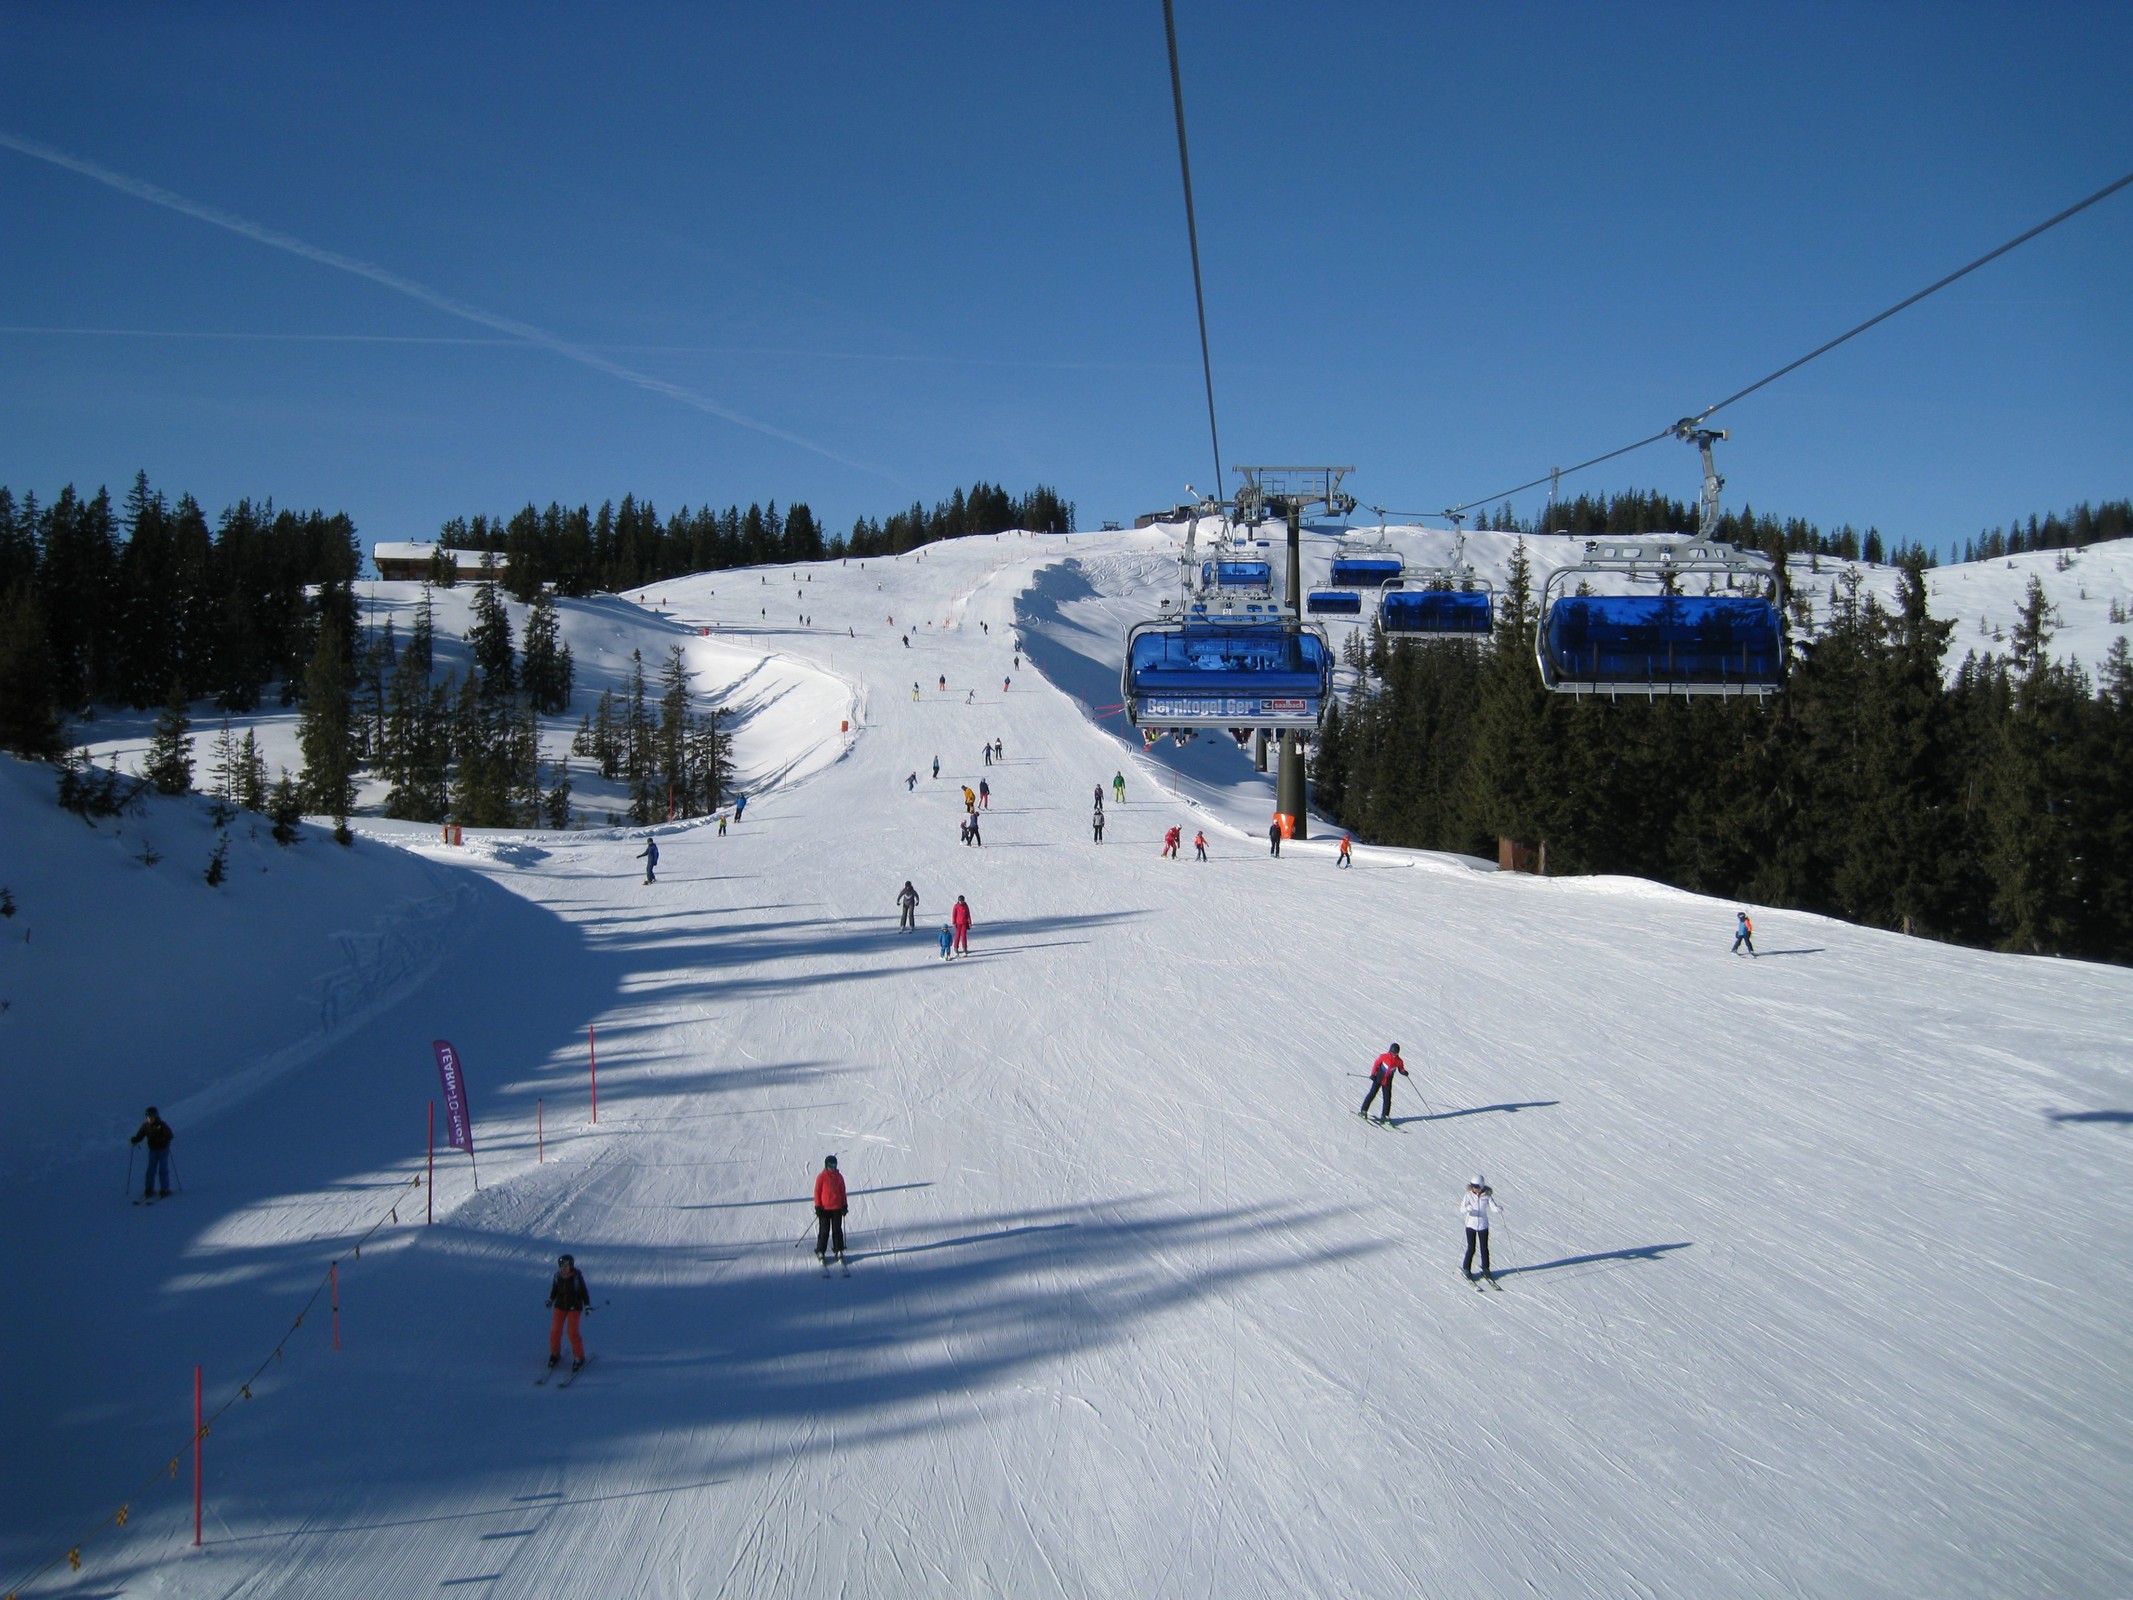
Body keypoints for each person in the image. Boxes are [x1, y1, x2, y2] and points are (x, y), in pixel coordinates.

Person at [546, 1254, 591, 1369]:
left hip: (574, 1307)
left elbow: (584, 1292)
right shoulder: (557, 1276)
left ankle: (579, 1357)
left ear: (571, 1265)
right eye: (562, 1265)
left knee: (572, 1333)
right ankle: (555, 1354)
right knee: (555, 1331)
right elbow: (554, 1290)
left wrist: (586, 1305)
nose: (564, 1268)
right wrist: (551, 1300)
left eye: (566, 1265)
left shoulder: (576, 1277)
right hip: (560, 1306)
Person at [130, 1107, 174, 1199]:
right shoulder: (146, 1126)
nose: (149, 1118)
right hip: (153, 1150)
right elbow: (140, 1135)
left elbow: (170, 1135)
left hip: (163, 1149)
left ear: (155, 1116)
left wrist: (164, 1139)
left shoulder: (161, 1125)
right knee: (151, 1169)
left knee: (163, 1168)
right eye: (147, 1116)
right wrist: (135, 1139)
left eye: (151, 1116)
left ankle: (164, 1189)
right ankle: (149, 1189)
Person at [1462, 1177, 1499, 1283]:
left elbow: (1493, 1206)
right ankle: (1466, 1269)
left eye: (1477, 1187)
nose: (1475, 1189)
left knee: (1484, 1248)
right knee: (1471, 1248)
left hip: (1483, 1225)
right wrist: (1467, 1209)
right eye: (1473, 1186)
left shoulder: (1487, 1195)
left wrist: (1496, 1209)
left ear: (1482, 1186)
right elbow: (1461, 1209)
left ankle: (1486, 1269)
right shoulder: (1468, 1195)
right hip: (1471, 1225)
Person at [814, 1157, 848, 1267]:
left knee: (837, 1230)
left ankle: (838, 1250)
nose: (833, 1168)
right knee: (824, 1231)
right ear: (826, 1166)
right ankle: (821, 1251)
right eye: (830, 1166)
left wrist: (844, 1205)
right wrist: (818, 1206)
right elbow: (817, 1192)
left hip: (837, 1208)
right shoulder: (822, 1177)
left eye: (834, 1166)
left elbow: (843, 1191)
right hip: (824, 1209)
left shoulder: (839, 1177)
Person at [1359, 1043, 1406, 1123]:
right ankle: (1363, 1111)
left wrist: (1404, 1072)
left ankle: (1385, 1115)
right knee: (1372, 1094)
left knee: (1387, 1098)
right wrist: (1373, 1074)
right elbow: (1376, 1065)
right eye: (1392, 1053)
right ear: (1390, 1051)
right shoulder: (1384, 1057)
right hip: (1379, 1078)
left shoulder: (1399, 1061)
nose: (1394, 1055)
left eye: (1396, 1053)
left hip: (1388, 1080)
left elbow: (1401, 1069)